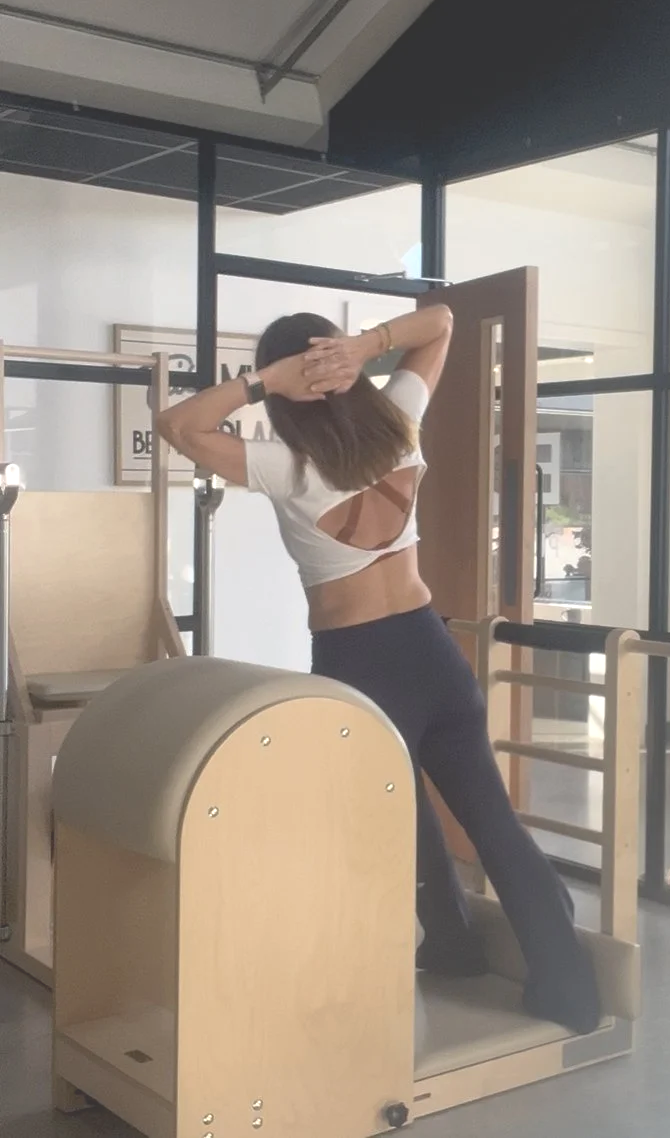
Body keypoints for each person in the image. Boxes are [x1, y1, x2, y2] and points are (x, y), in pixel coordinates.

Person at [156, 303, 600, 1034]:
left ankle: (447, 945)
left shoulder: (287, 464)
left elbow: (179, 426)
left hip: (360, 663)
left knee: (390, 820)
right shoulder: (399, 419)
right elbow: (445, 323)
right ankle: (565, 988)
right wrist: (363, 348)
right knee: (491, 821)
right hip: (431, 648)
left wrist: (269, 382)